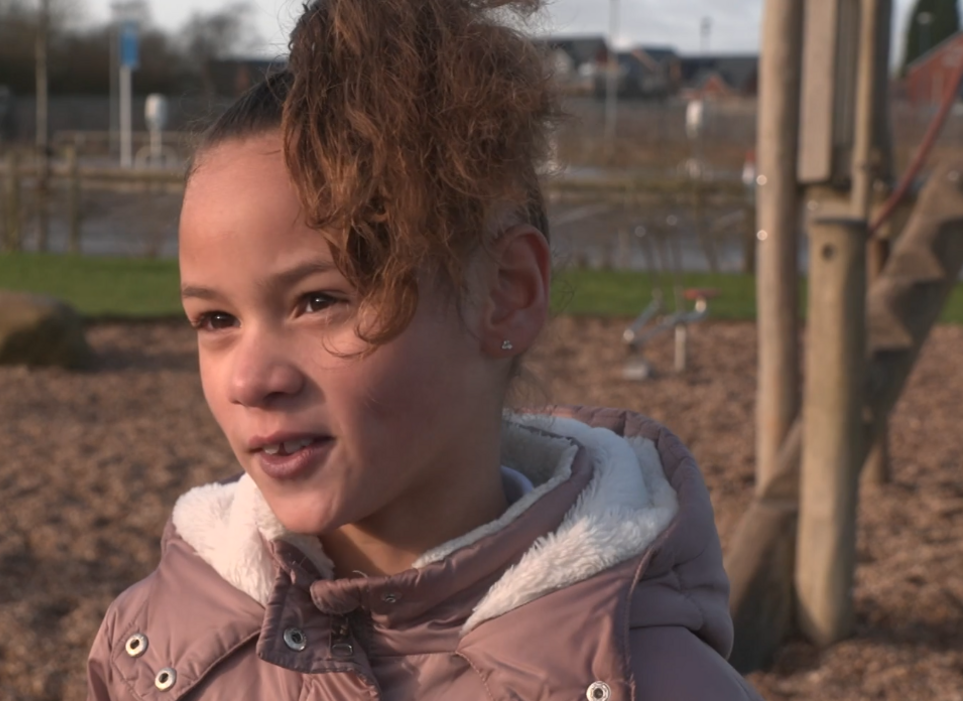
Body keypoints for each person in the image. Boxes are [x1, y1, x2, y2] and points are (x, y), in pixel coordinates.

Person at [87, 0, 763, 698]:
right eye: (216, 318)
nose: (251, 378)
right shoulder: (157, 650)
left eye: (320, 300)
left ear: (507, 292)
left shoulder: (662, 683)